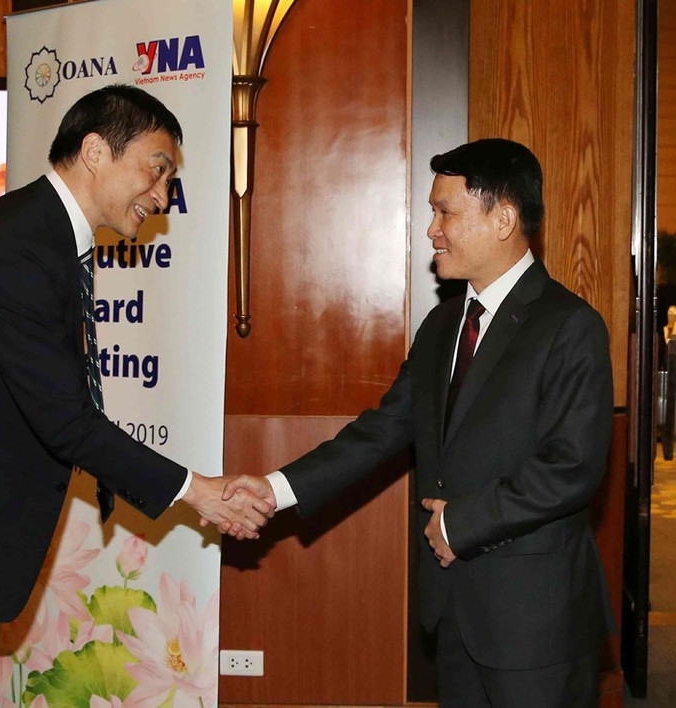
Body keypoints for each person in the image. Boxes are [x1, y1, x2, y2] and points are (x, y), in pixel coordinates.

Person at [0, 85, 272, 707]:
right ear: (95, 151)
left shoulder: (40, 236)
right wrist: (197, 491)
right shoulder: (18, 245)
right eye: (156, 169)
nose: (161, 195)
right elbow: (66, 420)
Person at [226, 139, 615, 707]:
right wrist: (276, 489)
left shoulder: (571, 326)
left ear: (503, 219)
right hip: (452, 613)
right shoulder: (441, 325)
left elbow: (572, 467)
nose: (431, 229)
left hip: (536, 625)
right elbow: (383, 430)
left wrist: (461, 523)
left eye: (445, 212)